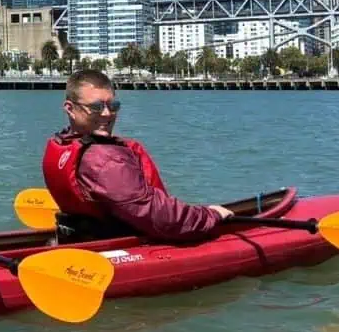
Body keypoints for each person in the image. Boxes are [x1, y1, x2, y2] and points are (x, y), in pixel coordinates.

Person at [41, 68, 233, 243]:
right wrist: (211, 215)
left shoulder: (63, 143)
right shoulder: (104, 161)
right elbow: (157, 215)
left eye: (113, 106)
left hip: (80, 238)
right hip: (120, 244)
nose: (107, 114)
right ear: (70, 109)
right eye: (96, 107)